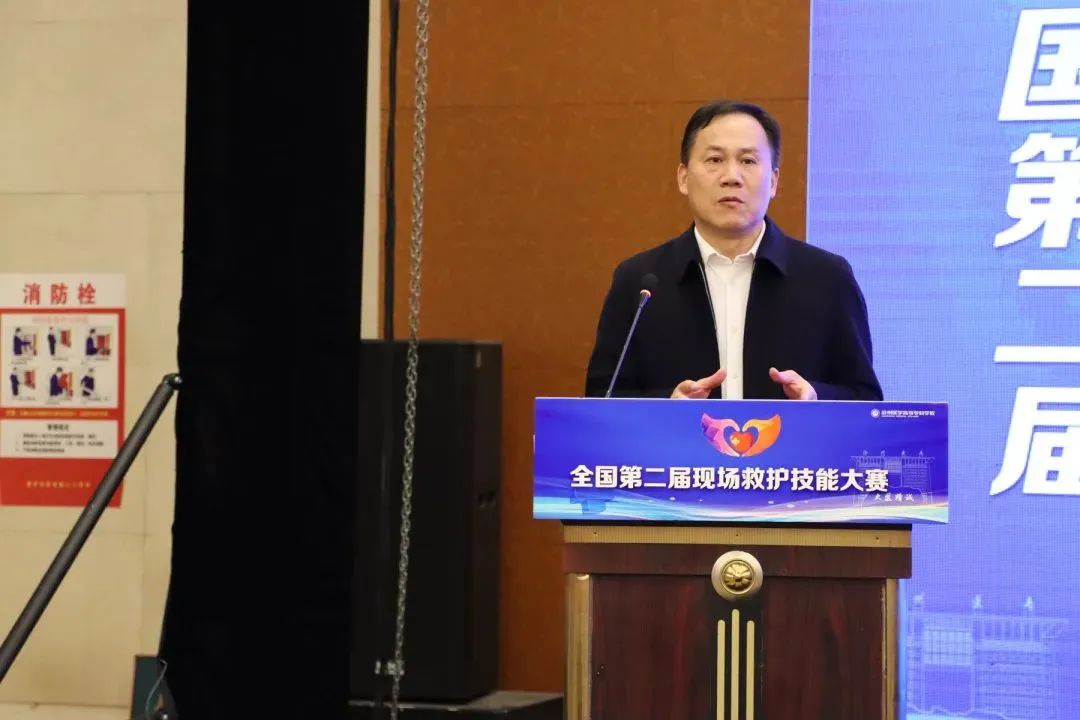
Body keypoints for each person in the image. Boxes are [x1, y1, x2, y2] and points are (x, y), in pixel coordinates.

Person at [585, 100, 881, 401]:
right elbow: (602, 399)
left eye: (748, 161)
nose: (731, 176)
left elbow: (865, 398)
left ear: (773, 181)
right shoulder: (640, 283)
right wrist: (668, 406)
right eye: (714, 160)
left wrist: (814, 398)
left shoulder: (827, 278)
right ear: (683, 178)